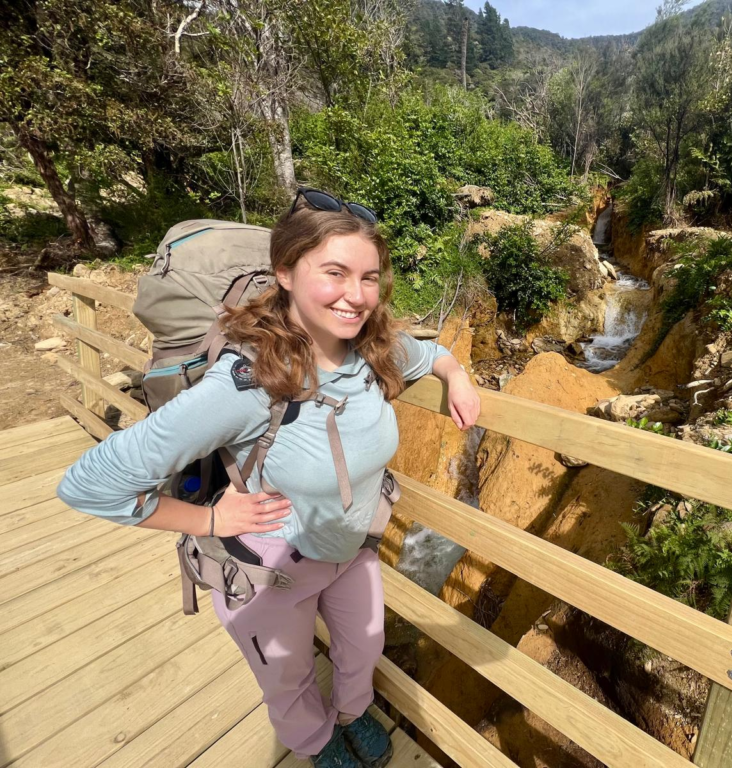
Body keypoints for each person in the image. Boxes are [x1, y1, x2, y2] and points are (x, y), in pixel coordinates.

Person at [57, 189, 481, 768]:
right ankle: (314, 741)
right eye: (334, 273)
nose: (356, 296)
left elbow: (428, 355)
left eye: (370, 277)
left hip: (352, 548)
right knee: (287, 677)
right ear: (285, 271)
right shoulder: (247, 382)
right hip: (267, 566)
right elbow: (88, 483)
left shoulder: (373, 348)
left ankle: (354, 714)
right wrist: (207, 518)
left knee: (364, 648)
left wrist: (455, 374)